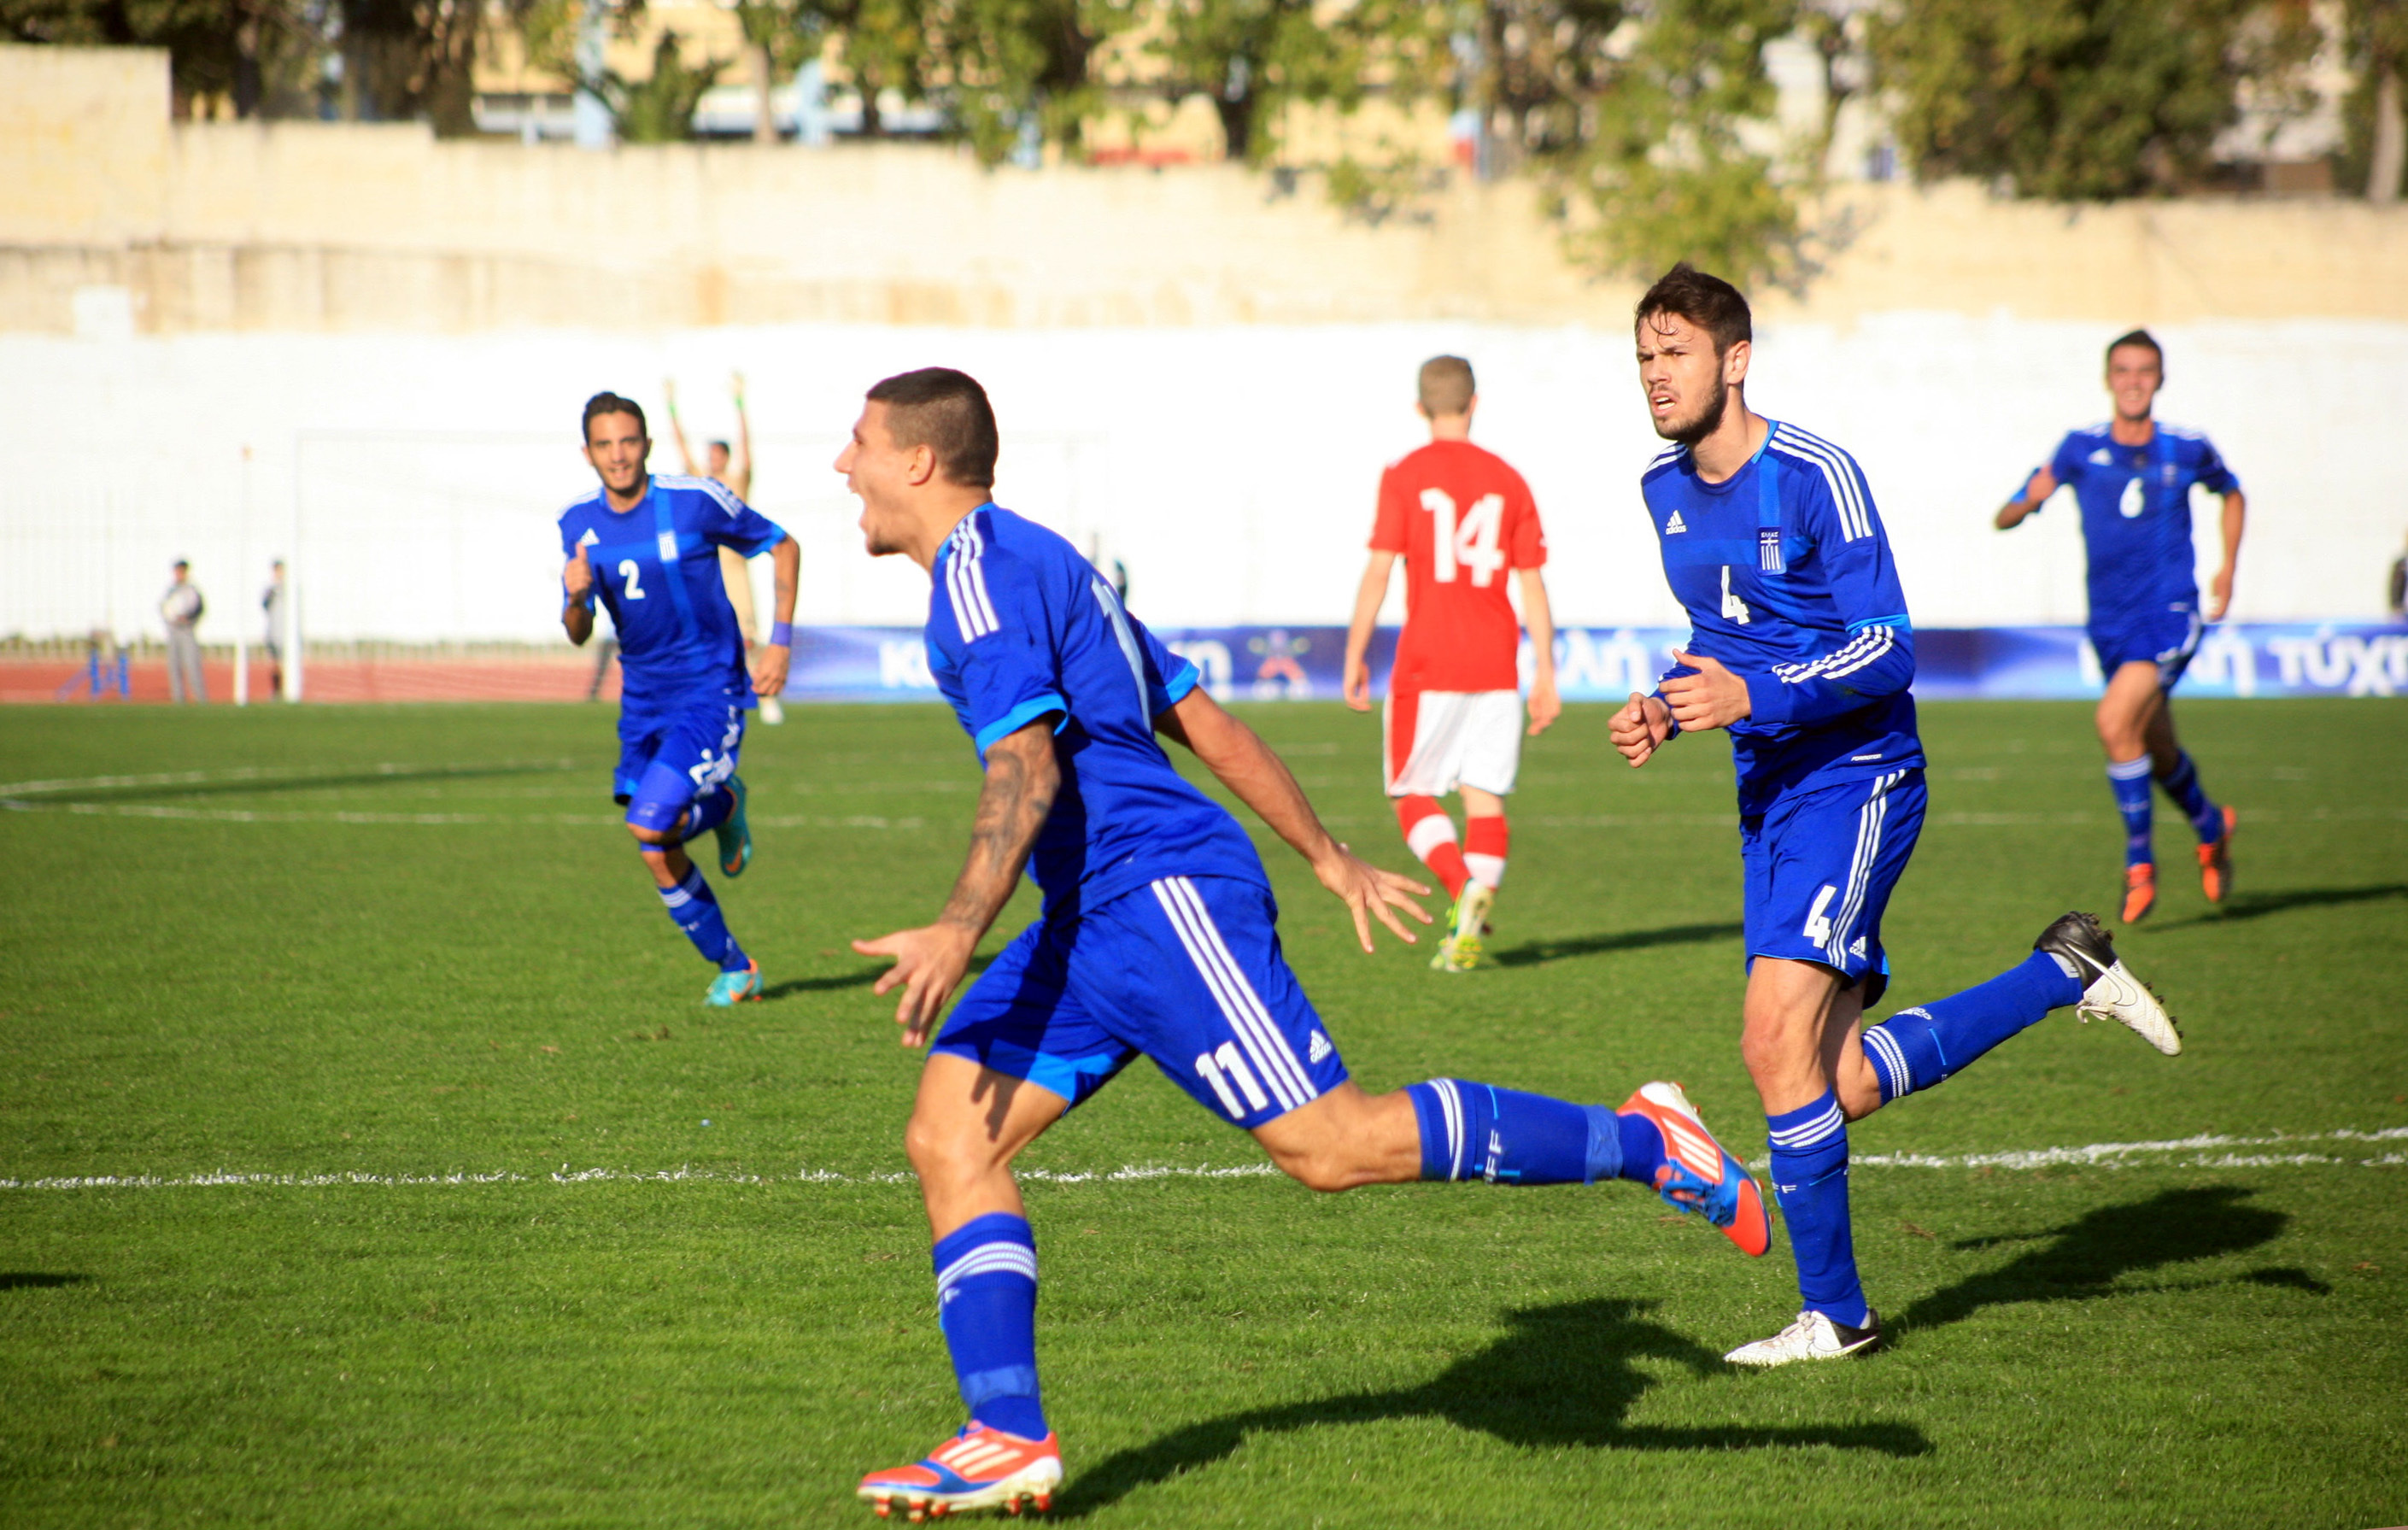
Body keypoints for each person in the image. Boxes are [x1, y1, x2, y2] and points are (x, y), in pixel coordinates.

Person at [837, 367, 1771, 1519]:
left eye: (859, 444)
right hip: (1090, 913)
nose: (845, 467)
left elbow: (1026, 763)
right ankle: (1003, 1430)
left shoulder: (978, 579)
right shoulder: (1035, 555)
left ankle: (1645, 1141)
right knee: (947, 1134)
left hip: (1157, 895)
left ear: (919, 461)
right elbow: (1195, 711)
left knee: (1331, 1145)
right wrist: (1325, 853)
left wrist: (953, 925)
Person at [1609, 265, 2183, 1368]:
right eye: (1642, 357)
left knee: (1768, 1039)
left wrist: (1751, 694)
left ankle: (1835, 1313)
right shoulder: (1659, 487)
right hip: (1767, 790)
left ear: (1733, 359)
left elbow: (1888, 646)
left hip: (1858, 773)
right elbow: (1722, 638)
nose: (1653, 377)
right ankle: (2060, 970)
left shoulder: (1816, 474)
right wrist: (1664, 705)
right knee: (1827, 1081)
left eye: (1672, 353)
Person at [1995, 331, 2245, 923]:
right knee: (2152, 745)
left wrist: (2227, 569)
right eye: (2123, 370)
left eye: (2144, 371)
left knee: (2112, 721)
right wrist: (2025, 502)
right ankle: (2210, 824)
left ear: (2159, 379)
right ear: (2108, 379)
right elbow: (2003, 514)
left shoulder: (2185, 448)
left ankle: (2139, 865)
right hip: (2108, 623)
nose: (2133, 381)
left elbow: (2231, 494)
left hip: (2168, 615)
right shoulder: (2079, 447)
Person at [559, 390, 800, 1005]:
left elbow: (783, 544)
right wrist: (575, 597)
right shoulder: (575, 524)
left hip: (707, 689)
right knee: (653, 847)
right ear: (587, 452)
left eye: (628, 441)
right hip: (641, 698)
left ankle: (720, 804)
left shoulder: (693, 501)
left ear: (646, 444)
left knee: (647, 820)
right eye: (605, 445)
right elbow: (579, 629)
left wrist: (778, 644)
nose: (619, 456)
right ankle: (736, 966)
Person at [1341, 355, 1561, 973]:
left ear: (1420, 408)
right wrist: (1545, 670)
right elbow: (1532, 584)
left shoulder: (1404, 475)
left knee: (1408, 791)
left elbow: (1380, 570)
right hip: (1496, 660)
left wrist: (1355, 653)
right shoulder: (1508, 479)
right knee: (1483, 799)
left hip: (1428, 661)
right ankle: (1465, 933)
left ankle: (1462, 887)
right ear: (1474, 403)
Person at [667, 372, 785, 724]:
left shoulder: (735, 483)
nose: (712, 459)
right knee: (703, 638)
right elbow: (682, 450)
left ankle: (768, 698)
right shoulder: (700, 486)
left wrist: (739, 403)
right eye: (710, 454)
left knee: (749, 638)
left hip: (736, 571)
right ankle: (706, 700)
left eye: (718, 454)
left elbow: (747, 453)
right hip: (706, 572)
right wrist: (670, 406)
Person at [161, 559, 206, 704]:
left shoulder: (191, 590)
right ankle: (178, 700)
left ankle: (201, 699)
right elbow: (164, 609)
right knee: (174, 666)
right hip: (173, 630)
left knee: (192, 665)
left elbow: (199, 608)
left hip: (187, 630)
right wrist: (170, 618)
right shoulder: (171, 591)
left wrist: (189, 619)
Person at [261, 560, 286, 700]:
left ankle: (286, 689)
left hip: (285, 633)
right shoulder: (270, 589)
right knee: (275, 663)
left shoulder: (290, 590)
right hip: (273, 631)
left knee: (285, 662)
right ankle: (277, 691)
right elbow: (264, 605)